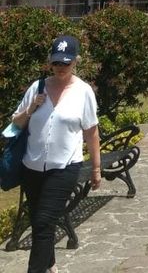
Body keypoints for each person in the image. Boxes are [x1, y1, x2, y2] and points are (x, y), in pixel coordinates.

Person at [12, 35, 101, 273]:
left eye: (67, 63)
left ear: (76, 62)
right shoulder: (37, 87)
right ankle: (50, 264)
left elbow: (91, 131)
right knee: (39, 221)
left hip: (64, 167)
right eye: (57, 63)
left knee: (43, 222)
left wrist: (96, 168)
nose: (61, 68)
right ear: (50, 63)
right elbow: (15, 124)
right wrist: (31, 109)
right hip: (32, 165)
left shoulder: (83, 91)